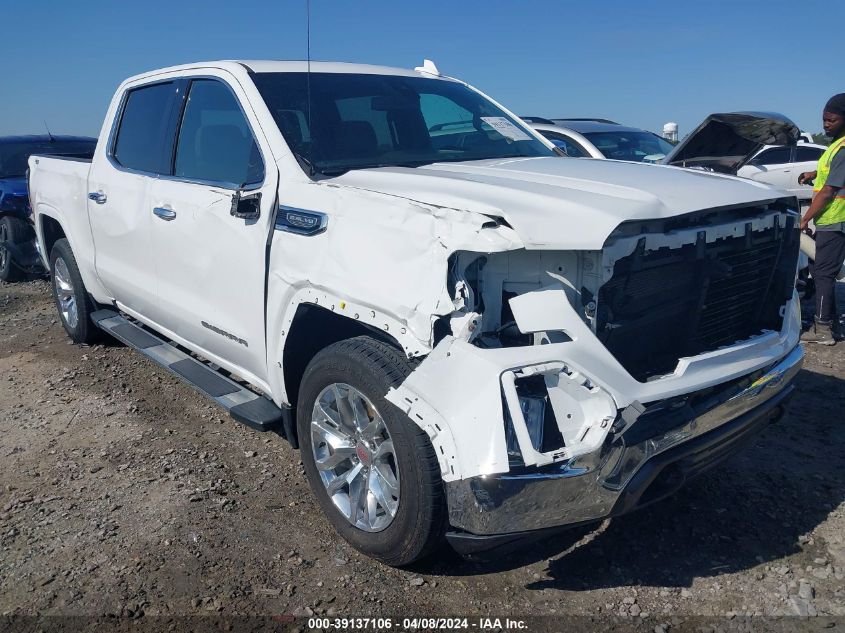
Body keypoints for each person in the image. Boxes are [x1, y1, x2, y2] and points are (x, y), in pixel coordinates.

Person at [798, 93, 845, 345]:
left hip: (836, 220)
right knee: (820, 269)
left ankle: (823, 330)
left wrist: (806, 219)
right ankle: (833, 325)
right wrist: (813, 172)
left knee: (824, 274)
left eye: (832, 119)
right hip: (831, 219)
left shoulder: (844, 147)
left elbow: (829, 190)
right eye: (824, 119)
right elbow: (831, 172)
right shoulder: (837, 144)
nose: (826, 124)